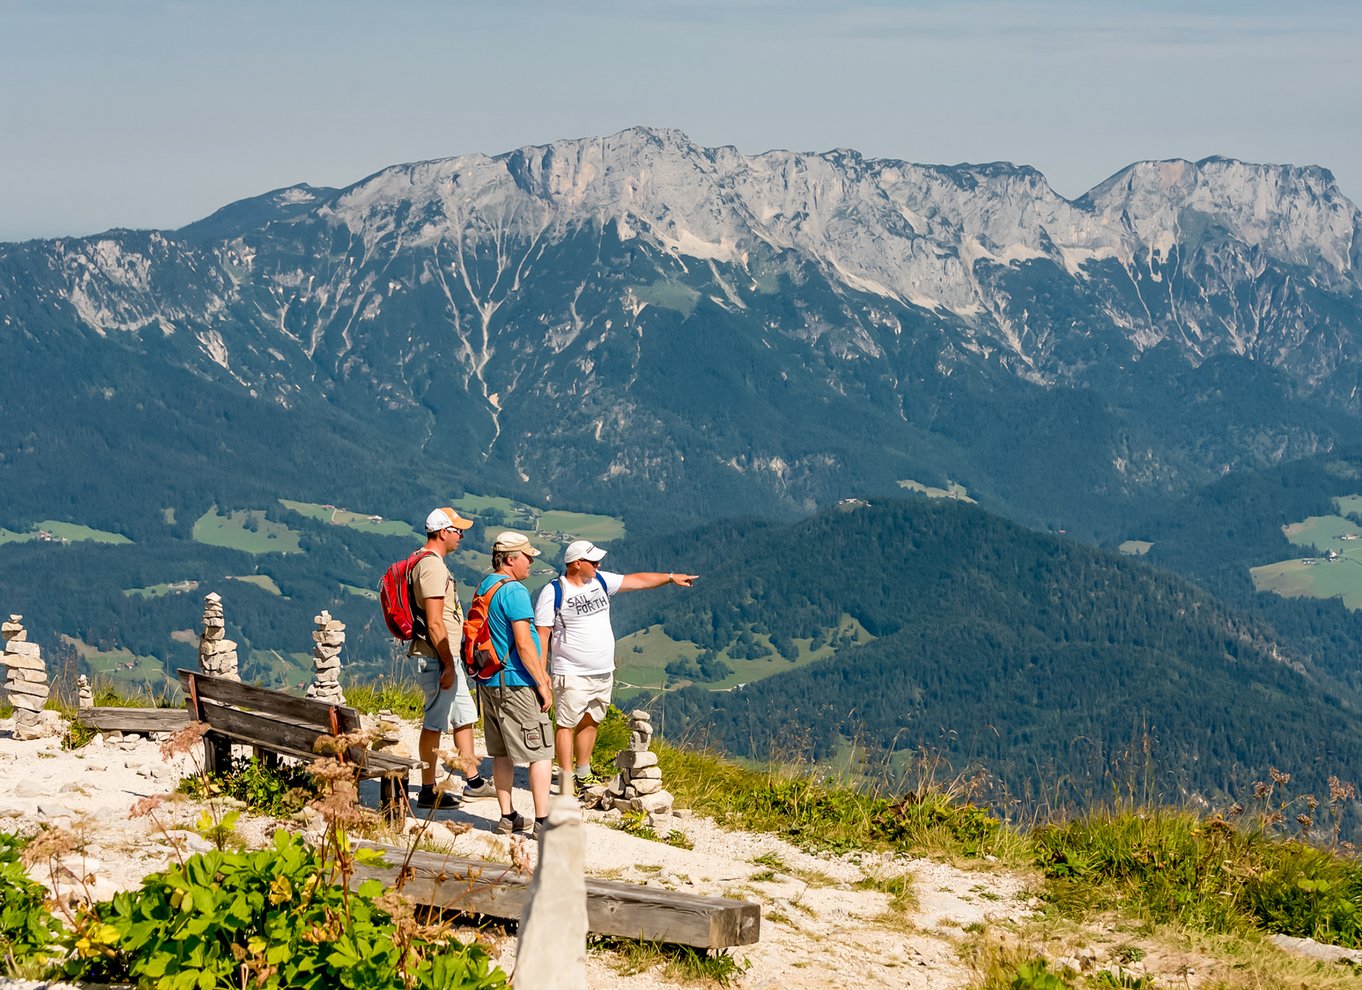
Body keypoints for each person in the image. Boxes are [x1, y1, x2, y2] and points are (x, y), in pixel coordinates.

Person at [534, 540, 697, 790]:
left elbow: (636, 580)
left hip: (603, 670)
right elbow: (542, 633)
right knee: (566, 724)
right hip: (571, 672)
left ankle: (583, 772)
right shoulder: (554, 591)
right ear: (576, 564)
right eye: (593, 561)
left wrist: (670, 577)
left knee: (591, 720)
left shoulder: (599, 581)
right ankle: (566, 780)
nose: (598, 565)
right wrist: (541, 674)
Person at [409, 507, 495, 809]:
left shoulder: (425, 561)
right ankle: (427, 791)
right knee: (435, 722)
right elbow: (435, 622)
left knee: (464, 716)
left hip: (446, 656)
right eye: (458, 531)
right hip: (437, 657)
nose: (461, 536)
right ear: (443, 532)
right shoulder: (432, 567)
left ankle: (474, 782)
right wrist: (447, 664)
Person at [474, 532, 554, 836]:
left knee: (501, 752)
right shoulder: (515, 591)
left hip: (490, 680)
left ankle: (507, 817)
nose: (531, 562)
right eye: (527, 556)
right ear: (510, 559)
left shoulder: (486, 586)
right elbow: (523, 643)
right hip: (517, 682)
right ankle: (543, 822)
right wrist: (541, 682)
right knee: (540, 751)